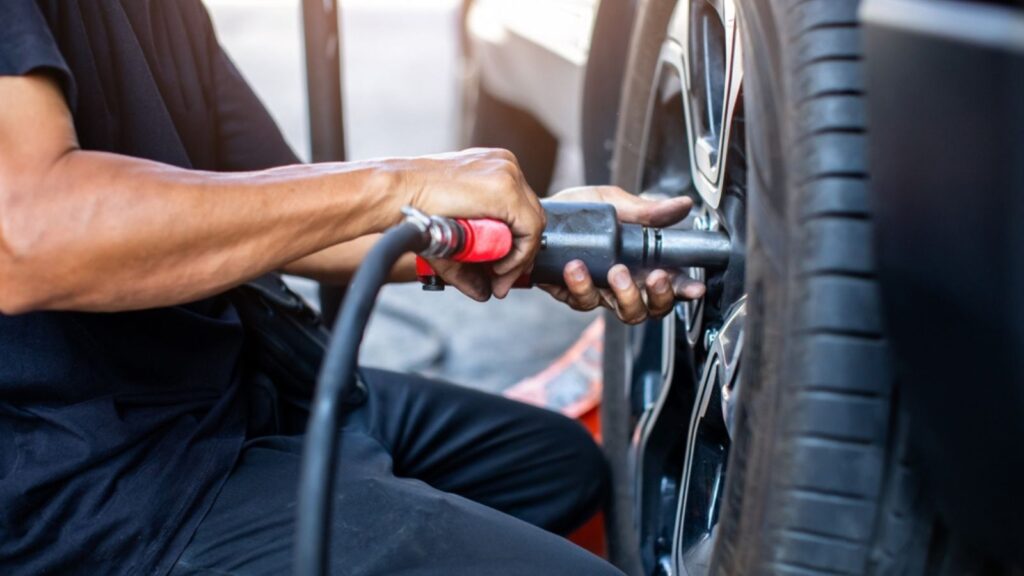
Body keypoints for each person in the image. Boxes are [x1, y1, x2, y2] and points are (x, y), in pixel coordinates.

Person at [0, 1, 704, 575]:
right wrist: (401, 184)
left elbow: (293, 212)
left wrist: (540, 231)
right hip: (104, 491)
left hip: (236, 394)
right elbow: (30, 233)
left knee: (561, 469)